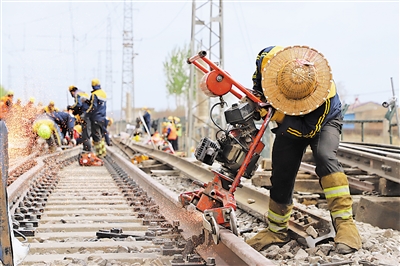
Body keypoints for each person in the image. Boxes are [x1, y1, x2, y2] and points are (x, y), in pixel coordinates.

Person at [245, 45, 361, 254]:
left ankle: (345, 226)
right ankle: (276, 231)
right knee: (281, 171)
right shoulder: (266, 60)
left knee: (325, 157)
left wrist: (277, 116)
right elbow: (257, 87)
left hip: (321, 123)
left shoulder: (324, 94)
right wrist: (254, 103)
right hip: (289, 119)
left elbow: (308, 131)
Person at [86, 78, 107, 157]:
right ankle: (103, 152)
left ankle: (99, 153)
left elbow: (93, 106)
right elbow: (100, 105)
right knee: (101, 136)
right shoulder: (103, 93)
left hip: (96, 117)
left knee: (96, 136)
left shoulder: (94, 94)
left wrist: (86, 113)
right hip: (102, 118)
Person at [68, 85, 92, 152]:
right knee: (86, 134)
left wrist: (71, 107)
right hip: (89, 114)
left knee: (85, 135)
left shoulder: (77, 94)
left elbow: (78, 104)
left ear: (72, 91)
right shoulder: (83, 93)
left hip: (85, 115)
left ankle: (88, 152)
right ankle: (87, 150)